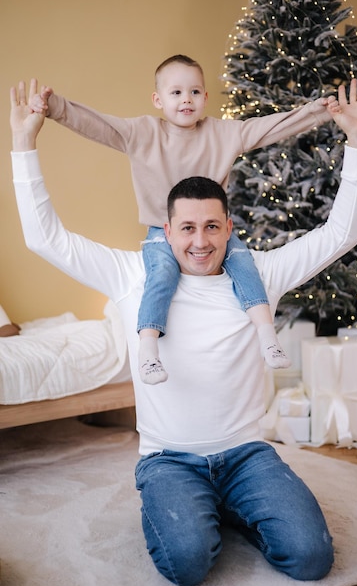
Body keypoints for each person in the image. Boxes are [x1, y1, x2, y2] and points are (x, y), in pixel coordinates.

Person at [10, 76, 357, 586]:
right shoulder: (132, 275)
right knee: (187, 565)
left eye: (211, 227)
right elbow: (45, 237)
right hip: (169, 459)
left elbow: (342, 233)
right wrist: (23, 143)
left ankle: (229, 506)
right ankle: (192, 506)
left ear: (229, 228)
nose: (200, 241)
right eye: (187, 228)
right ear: (167, 230)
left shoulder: (261, 274)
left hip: (247, 454)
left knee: (310, 558)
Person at [29, 55, 338, 384]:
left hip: (211, 230)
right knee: (161, 274)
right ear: (158, 100)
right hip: (162, 231)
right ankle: (148, 349)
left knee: (244, 263)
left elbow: (268, 128)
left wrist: (317, 111)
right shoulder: (142, 133)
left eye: (193, 92)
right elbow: (98, 125)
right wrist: (55, 106)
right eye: (175, 93)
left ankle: (267, 336)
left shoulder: (223, 133)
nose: (185, 99)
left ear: (205, 98)